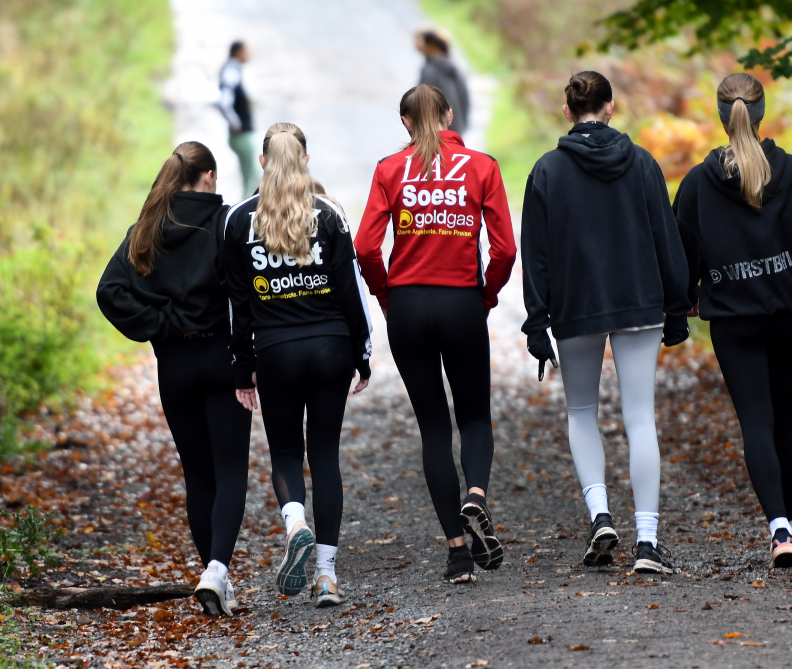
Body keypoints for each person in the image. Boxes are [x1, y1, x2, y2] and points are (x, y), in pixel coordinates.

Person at [674, 73, 792, 568]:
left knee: (756, 421)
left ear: (721, 115)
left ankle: (778, 528)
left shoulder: (697, 183)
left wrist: (687, 296)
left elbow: (681, 249)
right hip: (790, 315)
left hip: (734, 323)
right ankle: (788, 523)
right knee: (786, 423)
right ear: (761, 112)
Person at [521, 72, 692, 575]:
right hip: (638, 300)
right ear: (611, 107)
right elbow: (666, 237)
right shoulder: (642, 163)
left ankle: (600, 515)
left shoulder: (547, 170)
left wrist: (536, 321)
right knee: (641, 417)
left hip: (576, 305)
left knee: (581, 411)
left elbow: (536, 254)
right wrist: (677, 307)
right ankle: (647, 543)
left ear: (568, 111)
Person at [355, 84, 516, 584]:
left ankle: (457, 555)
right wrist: (486, 295)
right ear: (448, 115)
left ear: (405, 121)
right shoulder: (481, 166)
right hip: (460, 301)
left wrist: (386, 295)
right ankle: (477, 497)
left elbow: (365, 248)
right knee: (475, 418)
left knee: (433, 428)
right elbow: (505, 249)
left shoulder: (389, 169)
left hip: (408, 305)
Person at [96, 142, 252, 617]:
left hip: (176, 365)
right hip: (221, 357)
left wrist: (160, 324)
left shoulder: (145, 229)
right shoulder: (224, 223)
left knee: (197, 475)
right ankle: (216, 572)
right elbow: (246, 295)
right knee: (230, 471)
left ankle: (214, 580)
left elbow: (109, 291)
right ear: (208, 177)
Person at [223, 122, 372, 607]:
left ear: (263, 161)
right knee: (325, 456)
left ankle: (294, 524)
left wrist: (242, 366)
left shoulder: (239, 220)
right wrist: (362, 352)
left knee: (287, 453)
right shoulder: (329, 214)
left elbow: (238, 303)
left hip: (276, 352)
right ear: (305, 159)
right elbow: (350, 290)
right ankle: (326, 576)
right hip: (331, 347)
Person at [219, 41, 259, 198]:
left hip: (242, 134)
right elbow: (224, 102)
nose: (249, 55)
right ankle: (246, 208)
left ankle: (248, 205)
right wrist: (235, 123)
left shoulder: (234, 69)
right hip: (241, 135)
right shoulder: (231, 71)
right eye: (246, 52)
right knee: (253, 177)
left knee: (251, 176)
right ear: (237, 52)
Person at [415, 29, 470, 136]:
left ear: (431, 44)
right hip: (453, 131)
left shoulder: (431, 71)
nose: (415, 43)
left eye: (418, 39)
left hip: (437, 133)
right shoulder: (451, 67)